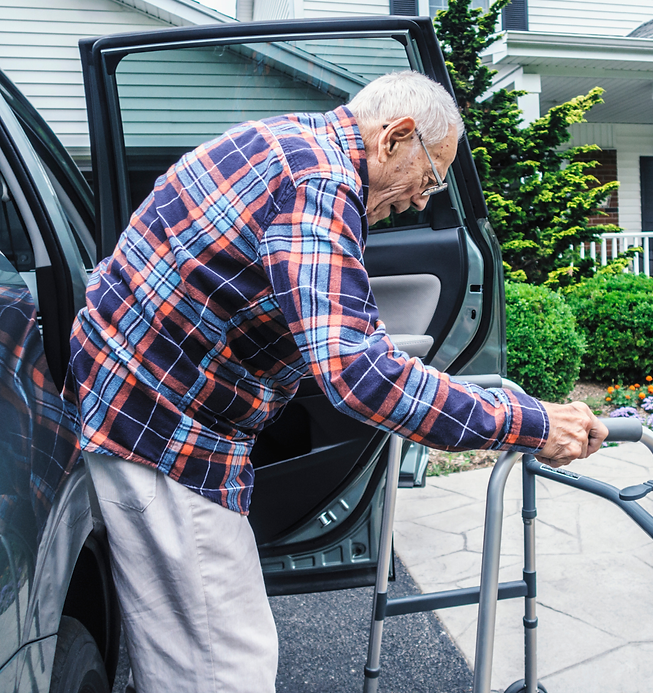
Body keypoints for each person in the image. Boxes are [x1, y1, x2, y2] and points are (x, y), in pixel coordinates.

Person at [63, 69, 606, 693]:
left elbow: (329, 324)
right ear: (395, 137)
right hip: (165, 433)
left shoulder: (284, 142)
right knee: (223, 670)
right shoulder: (319, 186)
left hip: (134, 402)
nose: (424, 200)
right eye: (429, 177)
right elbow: (359, 375)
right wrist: (527, 423)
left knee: (184, 653)